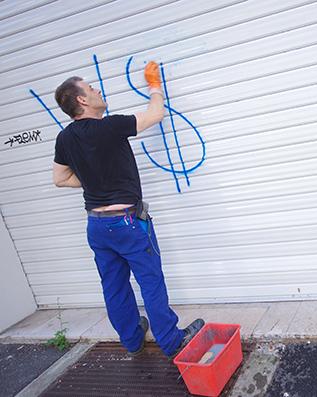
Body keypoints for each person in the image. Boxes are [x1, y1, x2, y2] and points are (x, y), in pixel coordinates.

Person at [52, 61, 203, 358]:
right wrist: (154, 85)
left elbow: (60, 179)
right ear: (82, 100)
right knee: (150, 281)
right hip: (128, 224)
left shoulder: (64, 138)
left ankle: (133, 340)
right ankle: (172, 342)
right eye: (91, 88)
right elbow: (156, 114)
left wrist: (93, 179)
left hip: (97, 226)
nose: (97, 90)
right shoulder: (110, 126)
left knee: (114, 285)